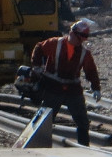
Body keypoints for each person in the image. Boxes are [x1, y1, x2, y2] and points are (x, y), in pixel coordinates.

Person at [30, 18, 101, 146]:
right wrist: (37, 66)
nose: (82, 41)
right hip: (53, 87)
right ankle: (37, 144)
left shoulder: (84, 53)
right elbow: (39, 47)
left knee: (83, 122)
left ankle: (84, 147)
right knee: (44, 120)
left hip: (73, 89)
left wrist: (96, 87)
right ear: (72, 33)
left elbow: (91, 70)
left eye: (85, 38)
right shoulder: (55, 44)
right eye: (81, 37)